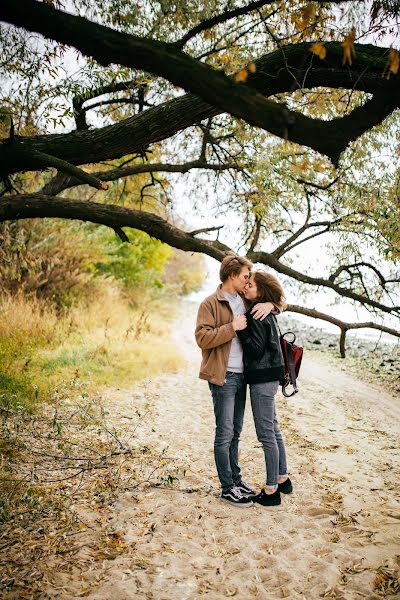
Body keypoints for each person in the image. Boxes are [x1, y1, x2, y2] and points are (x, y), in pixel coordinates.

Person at [195, 253, 276, 507]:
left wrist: (273, 306)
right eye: (244, 276)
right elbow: (202, 338)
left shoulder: (245, 299)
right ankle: (227, 487)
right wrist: (232, 328)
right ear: (232, 275)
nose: (247, 280)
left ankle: (236, 480)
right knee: (225, 433)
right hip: (223, 376)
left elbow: (276, 299)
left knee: (236, 433)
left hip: (244, 378)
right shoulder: (210, 303)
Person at [237, 271, 292, 507]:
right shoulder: (264, 308)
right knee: (273, 428)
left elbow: (255, 350)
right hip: (270, 376)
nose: (246, 288)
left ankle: (271, 491)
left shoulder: (257, 312)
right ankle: (283, 478)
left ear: (262, 290)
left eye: (250, 285)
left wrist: (240, 329)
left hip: (261, 378)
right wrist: (273, 305)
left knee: (266, 434)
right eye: (245, 284)